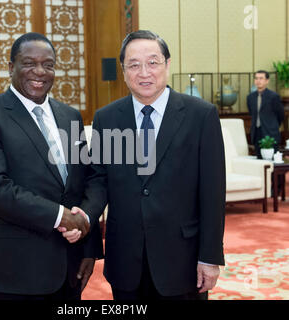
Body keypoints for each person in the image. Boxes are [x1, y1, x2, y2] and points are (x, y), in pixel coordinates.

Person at [63, 30, 225, 300]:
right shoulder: (107, 118)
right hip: (126, 258)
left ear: (167, 64)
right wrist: (86, 215)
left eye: (153, 62)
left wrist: (209, 257)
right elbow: (99, 179)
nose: (144, 72)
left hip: (182, 259)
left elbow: (213, 193)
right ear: (124, 71)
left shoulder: (201, 115)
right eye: (134, 65)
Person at [0, 32, 103, 300]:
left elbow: (90, 179)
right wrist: (60, 216)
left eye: (48, 64)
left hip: (69, 266)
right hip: (15, 271)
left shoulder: (69, 116)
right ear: (10, 67)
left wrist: (88, 242)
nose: (39, 71)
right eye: (29, 63)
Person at [247, 70, 284, 158]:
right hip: (256, 133)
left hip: (270, 133)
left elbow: (280, 115)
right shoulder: (250, 97)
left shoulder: (273, 97)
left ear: (267, 81)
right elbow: (251, 113)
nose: (258, 81)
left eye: (261, 78)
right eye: (256, 78)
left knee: (271, 162)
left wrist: (272, 125)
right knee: (258, 161)